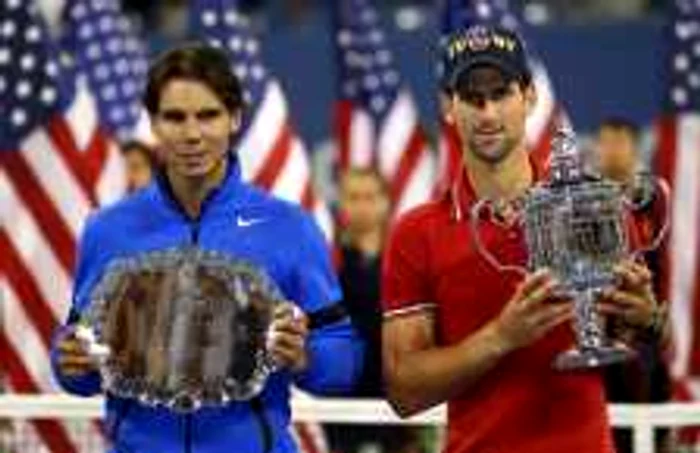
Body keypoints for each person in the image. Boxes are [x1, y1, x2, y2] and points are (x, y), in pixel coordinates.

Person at [50, 44, 363, 453]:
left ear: (234, 118)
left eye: (208, 115)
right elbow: (80, 360)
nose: (192, 134)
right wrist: (69, 360)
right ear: (154, 124)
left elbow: (344, 360)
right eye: (175, 118)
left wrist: (305, 358)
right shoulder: (107, 230)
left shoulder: (290, 227)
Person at [382, 25, 663, 453]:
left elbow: (638, 369)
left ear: (529, 97)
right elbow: (404, 392)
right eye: (473, 98)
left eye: (501, 93)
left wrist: (647, 324)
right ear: (448, 107)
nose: (489, 113)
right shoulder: (416, 234)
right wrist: (500, 337)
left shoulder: (595, 207)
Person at [595, 117, 673, 453]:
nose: (611, 151)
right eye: (605, 142)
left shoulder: (653, 205)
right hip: (603, 336)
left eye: (618, 142)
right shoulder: (586, 207)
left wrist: (654, 319)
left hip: (645, 333)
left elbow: (663, 268)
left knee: (649, 427)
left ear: (633, 148)